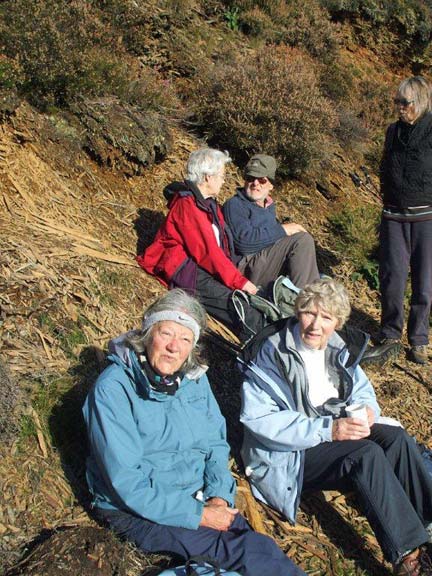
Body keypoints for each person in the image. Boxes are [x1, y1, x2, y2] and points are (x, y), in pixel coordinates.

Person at [83, 289, 306, 576]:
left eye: (185, 339)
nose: (174, 347)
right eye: (166, 333)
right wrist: (201, 515)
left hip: (196, 496)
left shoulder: (192, 379)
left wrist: (219, 497)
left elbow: (215, 443)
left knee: (261, 549)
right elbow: (127, 484)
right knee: (247, 554)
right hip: (137, 510)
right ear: (148, 332)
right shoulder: (113, 391)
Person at [239, 278, 432, 575]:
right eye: (309, 313)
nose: (315, 325)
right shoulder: (273, 353)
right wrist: (328, 430)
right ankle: (407, 556)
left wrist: (368, 411)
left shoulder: (339, 348)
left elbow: (362, 390)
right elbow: (260, 420)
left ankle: (427, 523)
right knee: (365, 455)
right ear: (297, 310)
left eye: (326, 317)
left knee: (396, 438)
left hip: (333, 428)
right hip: (291, 451)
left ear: (338, 323)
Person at [137, 147, 264, 341]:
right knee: (241, 309)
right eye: (221, 176)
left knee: (253, 303)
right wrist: (240, 282)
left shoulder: (209, 205)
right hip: (185, 270)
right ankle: (260, 348)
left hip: (203, 269)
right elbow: (208, 252)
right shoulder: (187, 206)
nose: (223, 181)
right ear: (207, 177)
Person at [378, 75, 432, 365]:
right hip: (393, 216)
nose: (399, 107)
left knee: (424, 282)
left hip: (427, 219)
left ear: (420, 102)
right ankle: (390, 333)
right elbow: (384, 165)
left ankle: (419, 339)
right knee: (392, 277)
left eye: (404, 102)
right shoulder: (392, 131)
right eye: (396, 101)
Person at [223, 154, 320, 291]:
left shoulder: (268, 208)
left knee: (317, 274)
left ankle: (310, 297)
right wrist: (283, 230)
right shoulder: (235, 204)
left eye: (261, 180)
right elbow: (244, 243)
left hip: (264, 263)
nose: (255, 183)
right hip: (246, 269)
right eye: (251, 178)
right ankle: (306, 303)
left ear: (271, 185)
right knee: (302, 241)